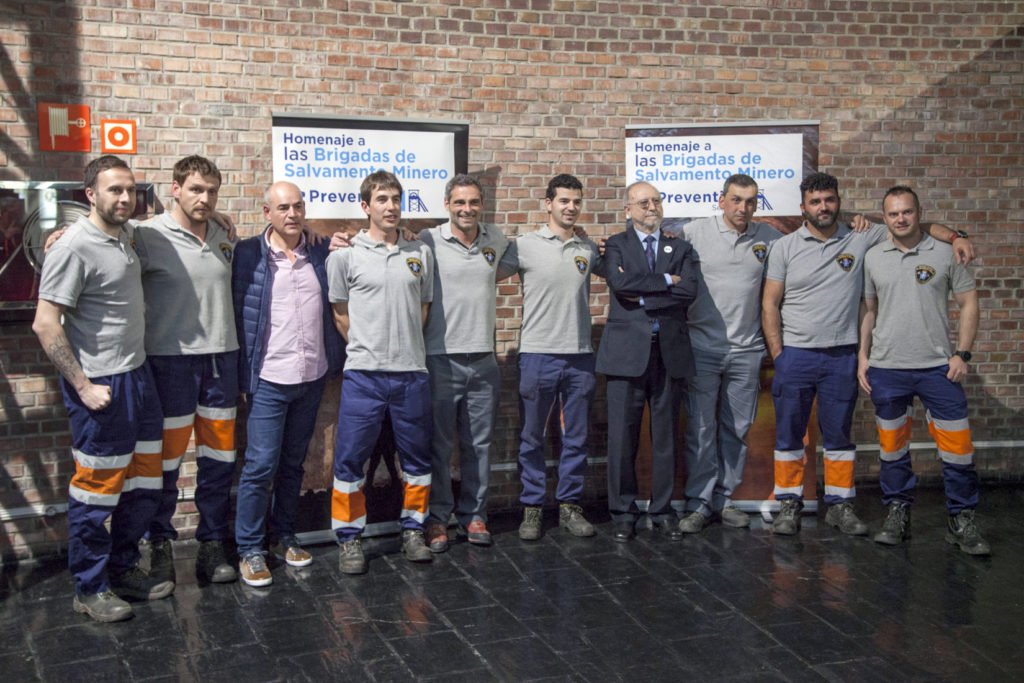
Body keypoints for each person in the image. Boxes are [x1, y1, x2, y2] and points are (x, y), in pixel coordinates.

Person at [762, 172, 973, 536]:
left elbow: (915, 227)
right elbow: (769, 303)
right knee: (789, 434)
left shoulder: (863, 237)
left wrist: (956, 237)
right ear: (803, 208)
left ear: (838, 201)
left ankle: (840, 506)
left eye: (829, 199)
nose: (823, 206)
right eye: (815, 201)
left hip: (842, 354)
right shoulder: (784, 247)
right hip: (795, 355)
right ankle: (789, 504)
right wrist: (779, 354)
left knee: (839, 435)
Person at [33, 155, 172, 622]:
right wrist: (83, 385)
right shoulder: (72, 246)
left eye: (130, 190)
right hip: (100, 384)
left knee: (143, 482)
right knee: (96, 493)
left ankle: (123, 568)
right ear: (89, 194)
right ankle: (89, 589)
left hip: (139, 376)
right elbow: (46, 324)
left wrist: (220, 216)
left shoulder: (127, 235)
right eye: (114, 190)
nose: (125, 198)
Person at [857, 186, 988, 555]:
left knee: (959, 451)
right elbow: (868, 310)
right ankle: (898, 512)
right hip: (887, 369)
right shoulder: (873, 257)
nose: (901, 219)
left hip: (937, 370)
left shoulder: (947, 254)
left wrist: (962, 353)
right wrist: (862, 357)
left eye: (907, 212)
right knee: (892, 449)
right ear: (885, 218)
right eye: (893, 213)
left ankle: (961, 520)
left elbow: (969, 304)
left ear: (918, 213)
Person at [131, 156, 239, 585]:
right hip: (170, 364)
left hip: (221, 363)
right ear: (174, 189)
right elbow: (99, 233)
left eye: (212, 191)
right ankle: (158, 544)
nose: (205, 198)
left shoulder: (223, 235)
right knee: (164, 463)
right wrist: (62, 232)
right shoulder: (144, 235)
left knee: (218, 461)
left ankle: (211, 544)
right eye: (196, 189)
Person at [231, 181, 345, 586]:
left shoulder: (319, 250)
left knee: (294, 464)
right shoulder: (246, 254)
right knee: (260, 466)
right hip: (269, 380)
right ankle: (250, 548)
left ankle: (284, 535)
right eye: (283, 208)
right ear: (267, 213)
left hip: (311, 376)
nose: (292, 214)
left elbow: (366, 241)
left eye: (298, 206)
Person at [327, 171, 436, 574]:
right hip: (363, 375)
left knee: (417, 459)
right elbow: (340, 315)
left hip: (411, 374)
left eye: (395, 199)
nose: (390, 206)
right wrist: (369, 347)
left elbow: (422, 310)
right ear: (365, 206)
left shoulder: (418, 253)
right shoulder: (344, 256)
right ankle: (350, 538)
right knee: (350, 460)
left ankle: (413, 529)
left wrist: (401, 347)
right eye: (382, 199)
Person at [497, 174, 605, 540]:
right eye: (563, 201)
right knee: (532, 436)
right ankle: (532, 508)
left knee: (575, 436)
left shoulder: (588, 248)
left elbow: (628, 262)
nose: (570, 207)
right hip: (537, 354)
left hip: (579, 356)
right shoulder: (525, 245)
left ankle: (570, 506)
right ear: (548, 203)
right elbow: (481, 272)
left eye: (576, 201)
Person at [676, 174, 783, 533]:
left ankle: (725, 499)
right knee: (701, 430)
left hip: (747, 352)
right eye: (736, 200)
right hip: (701, 349)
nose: (743, 208)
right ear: (721, 200)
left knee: (736, 430)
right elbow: (650, 247)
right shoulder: (693, 233)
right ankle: (699, 503)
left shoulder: (769, 238)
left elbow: (816, 239)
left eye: (751, 201)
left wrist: (859, 223)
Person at [596, 181, 698, 542]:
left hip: (669, 354)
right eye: (642, 203)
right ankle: (623, 512)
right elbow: (618, 286)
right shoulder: (616, 246)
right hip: (625, 355)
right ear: (628, 210)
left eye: (655, 201)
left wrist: (643, 297)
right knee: (622, 438)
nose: (651, 207)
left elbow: (688, 291)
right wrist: (665, 282)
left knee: (666, 436)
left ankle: (663, 509)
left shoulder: (681, 247)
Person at [419, 175, 510, 552]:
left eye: (473, 202)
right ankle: (438, 519)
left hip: (484, 361)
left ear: (481, 205)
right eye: (459, 203)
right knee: (439, 447)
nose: (467, 209)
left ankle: (474, 515)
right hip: (440, 359)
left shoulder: (497, 240)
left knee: (479, 445)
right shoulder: (427, 241)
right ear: (447, 205)